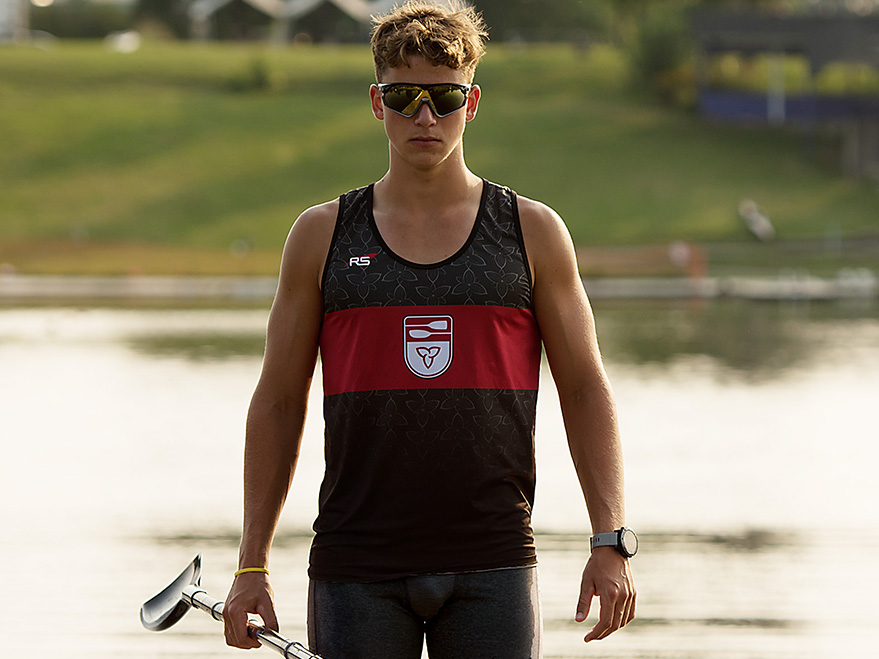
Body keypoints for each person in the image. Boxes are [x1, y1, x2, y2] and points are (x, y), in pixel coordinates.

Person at [222, 1, 636, 656]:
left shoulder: (532, 232)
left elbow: (585, 389)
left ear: (471, 103)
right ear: (375, 100)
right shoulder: (320, 235)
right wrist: (251, 564)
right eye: (403, 95)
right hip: (355, 563)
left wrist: (609, 539)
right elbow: (277, 401)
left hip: (492, 561)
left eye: (442, 97)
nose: (423, 116)